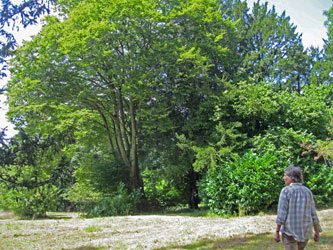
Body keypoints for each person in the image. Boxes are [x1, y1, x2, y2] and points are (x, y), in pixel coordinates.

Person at [274, 165, 321, 250]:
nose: (283, 177)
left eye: (285, 175)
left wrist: (277, 231)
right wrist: (317, 231)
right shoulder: (307, 191)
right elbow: (313, 214)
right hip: (305, 232)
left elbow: (281, 214)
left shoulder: (286, 191)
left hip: (290, 232)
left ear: (291, 177)